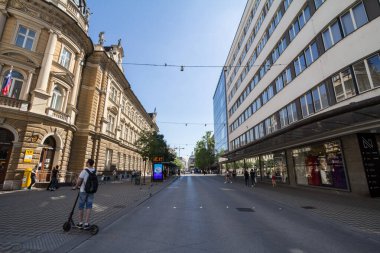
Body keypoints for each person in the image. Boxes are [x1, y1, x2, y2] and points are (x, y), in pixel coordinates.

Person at [72, 159, 96, 229]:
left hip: (83, 191)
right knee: (89, 206)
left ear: (88, 163)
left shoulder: (84, 171)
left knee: (81, 206)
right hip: (91, 191)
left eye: (86, 162)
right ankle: (86, 223)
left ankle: (80, 223)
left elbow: (79, 180)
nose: (86, 163)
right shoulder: (94, 171)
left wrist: (75, 187)